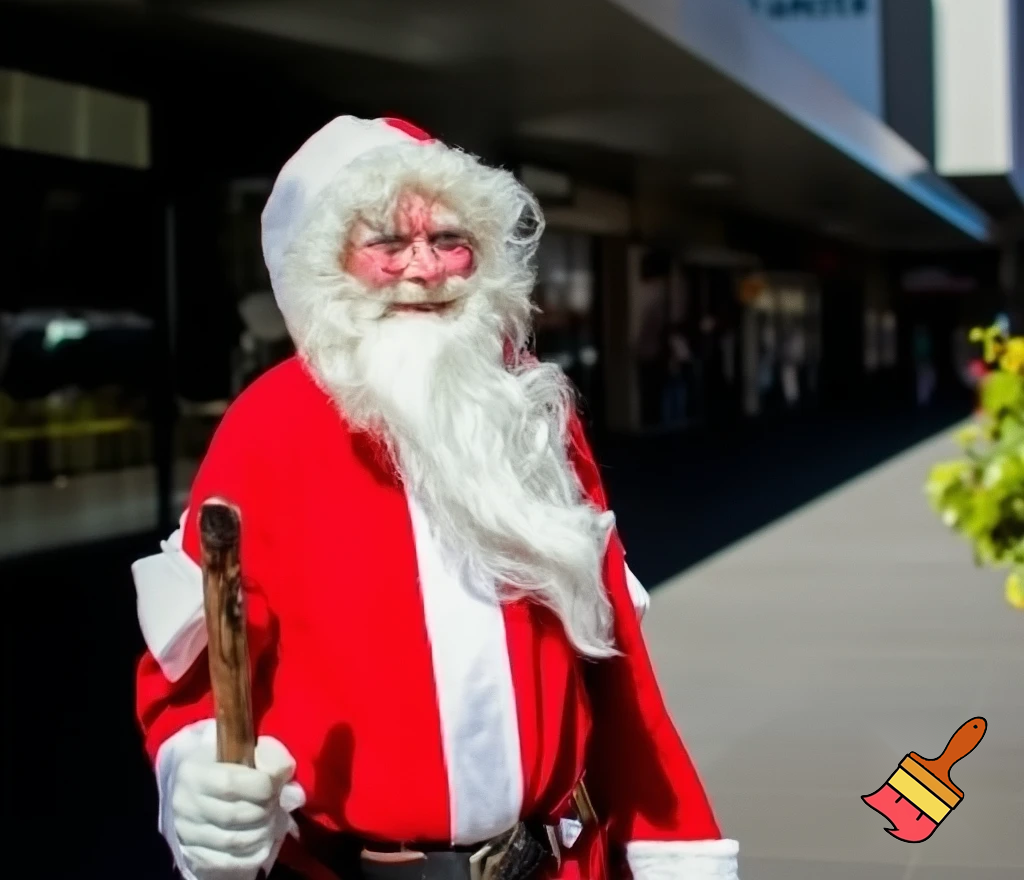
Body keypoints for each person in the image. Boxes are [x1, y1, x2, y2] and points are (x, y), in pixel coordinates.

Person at [132, 116, 740, 880]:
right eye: (387, 244)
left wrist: (674, 841)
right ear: (330, 265)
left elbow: (616, 664)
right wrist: (198, 780)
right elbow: (192, 671)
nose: (425, 268)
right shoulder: (271, 425)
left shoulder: (528, 412)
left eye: (449, 239)